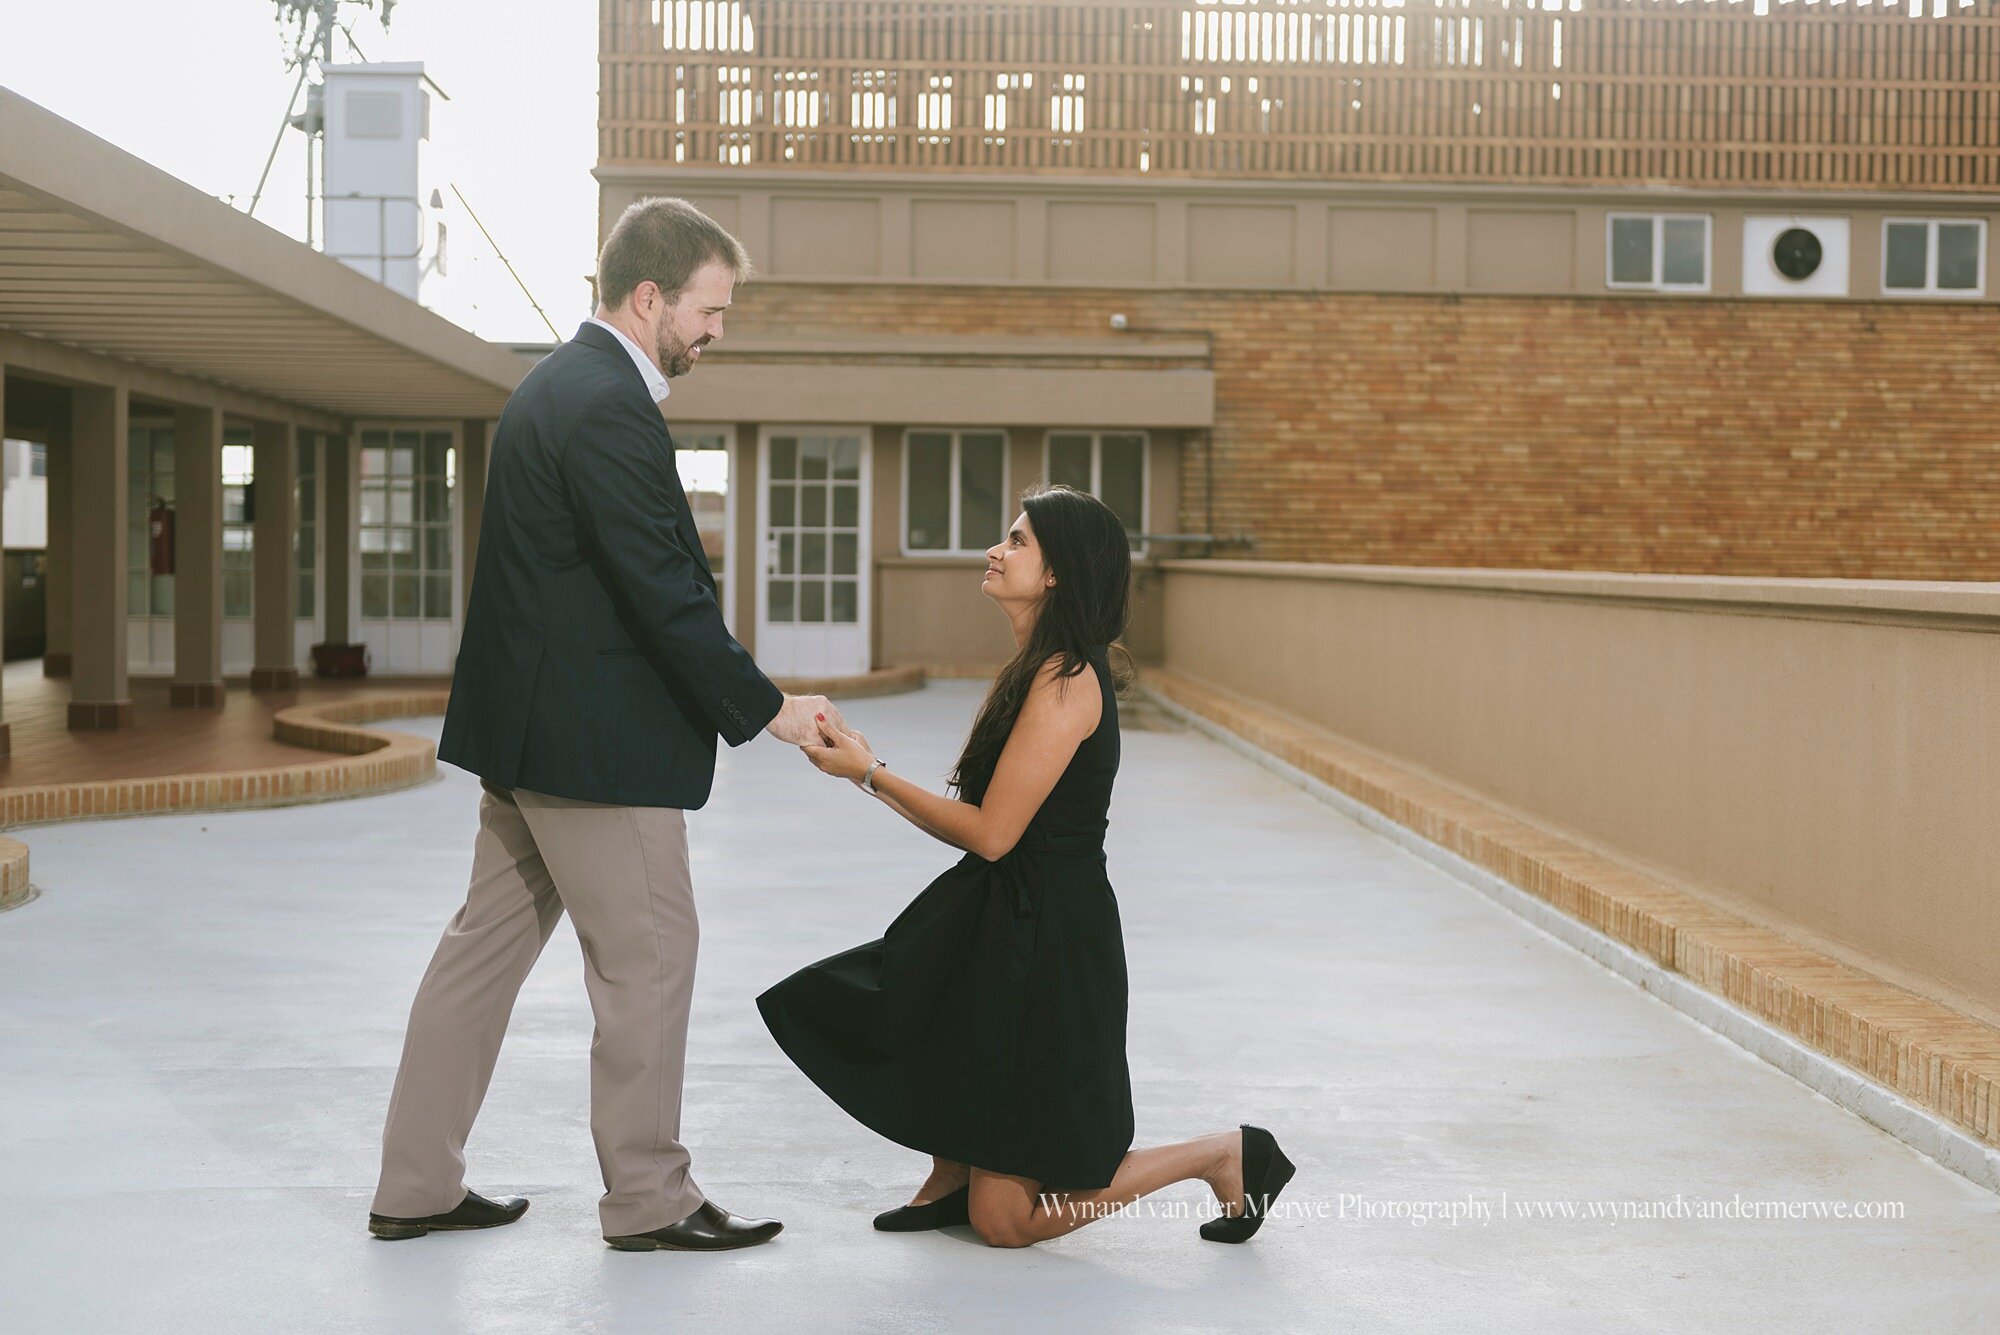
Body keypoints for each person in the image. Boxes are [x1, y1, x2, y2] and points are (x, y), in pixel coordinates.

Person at [368, 198, 841, 1253]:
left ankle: (413, 1185)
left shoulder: (549, 387)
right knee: (652, 957)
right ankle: (649, 1199)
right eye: (709, 309)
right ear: (648, 296)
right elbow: (660, 593)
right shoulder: (605, 406)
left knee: (477, 958)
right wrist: (771, 711)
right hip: (595, 756)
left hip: (529, 744)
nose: (717, 329)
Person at [758, 485, 1296, 1248]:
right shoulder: (1038, 665)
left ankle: (1223, 1153)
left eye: (1016, 541)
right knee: (918, 1010)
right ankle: (951, 1176)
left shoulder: (1066, 678)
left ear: (1055, 575)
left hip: (1048, 940)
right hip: (1009, 914)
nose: (995, 550)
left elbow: (992, 834)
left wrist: (868, 772)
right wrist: (867, 769)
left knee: (1006, 1223)